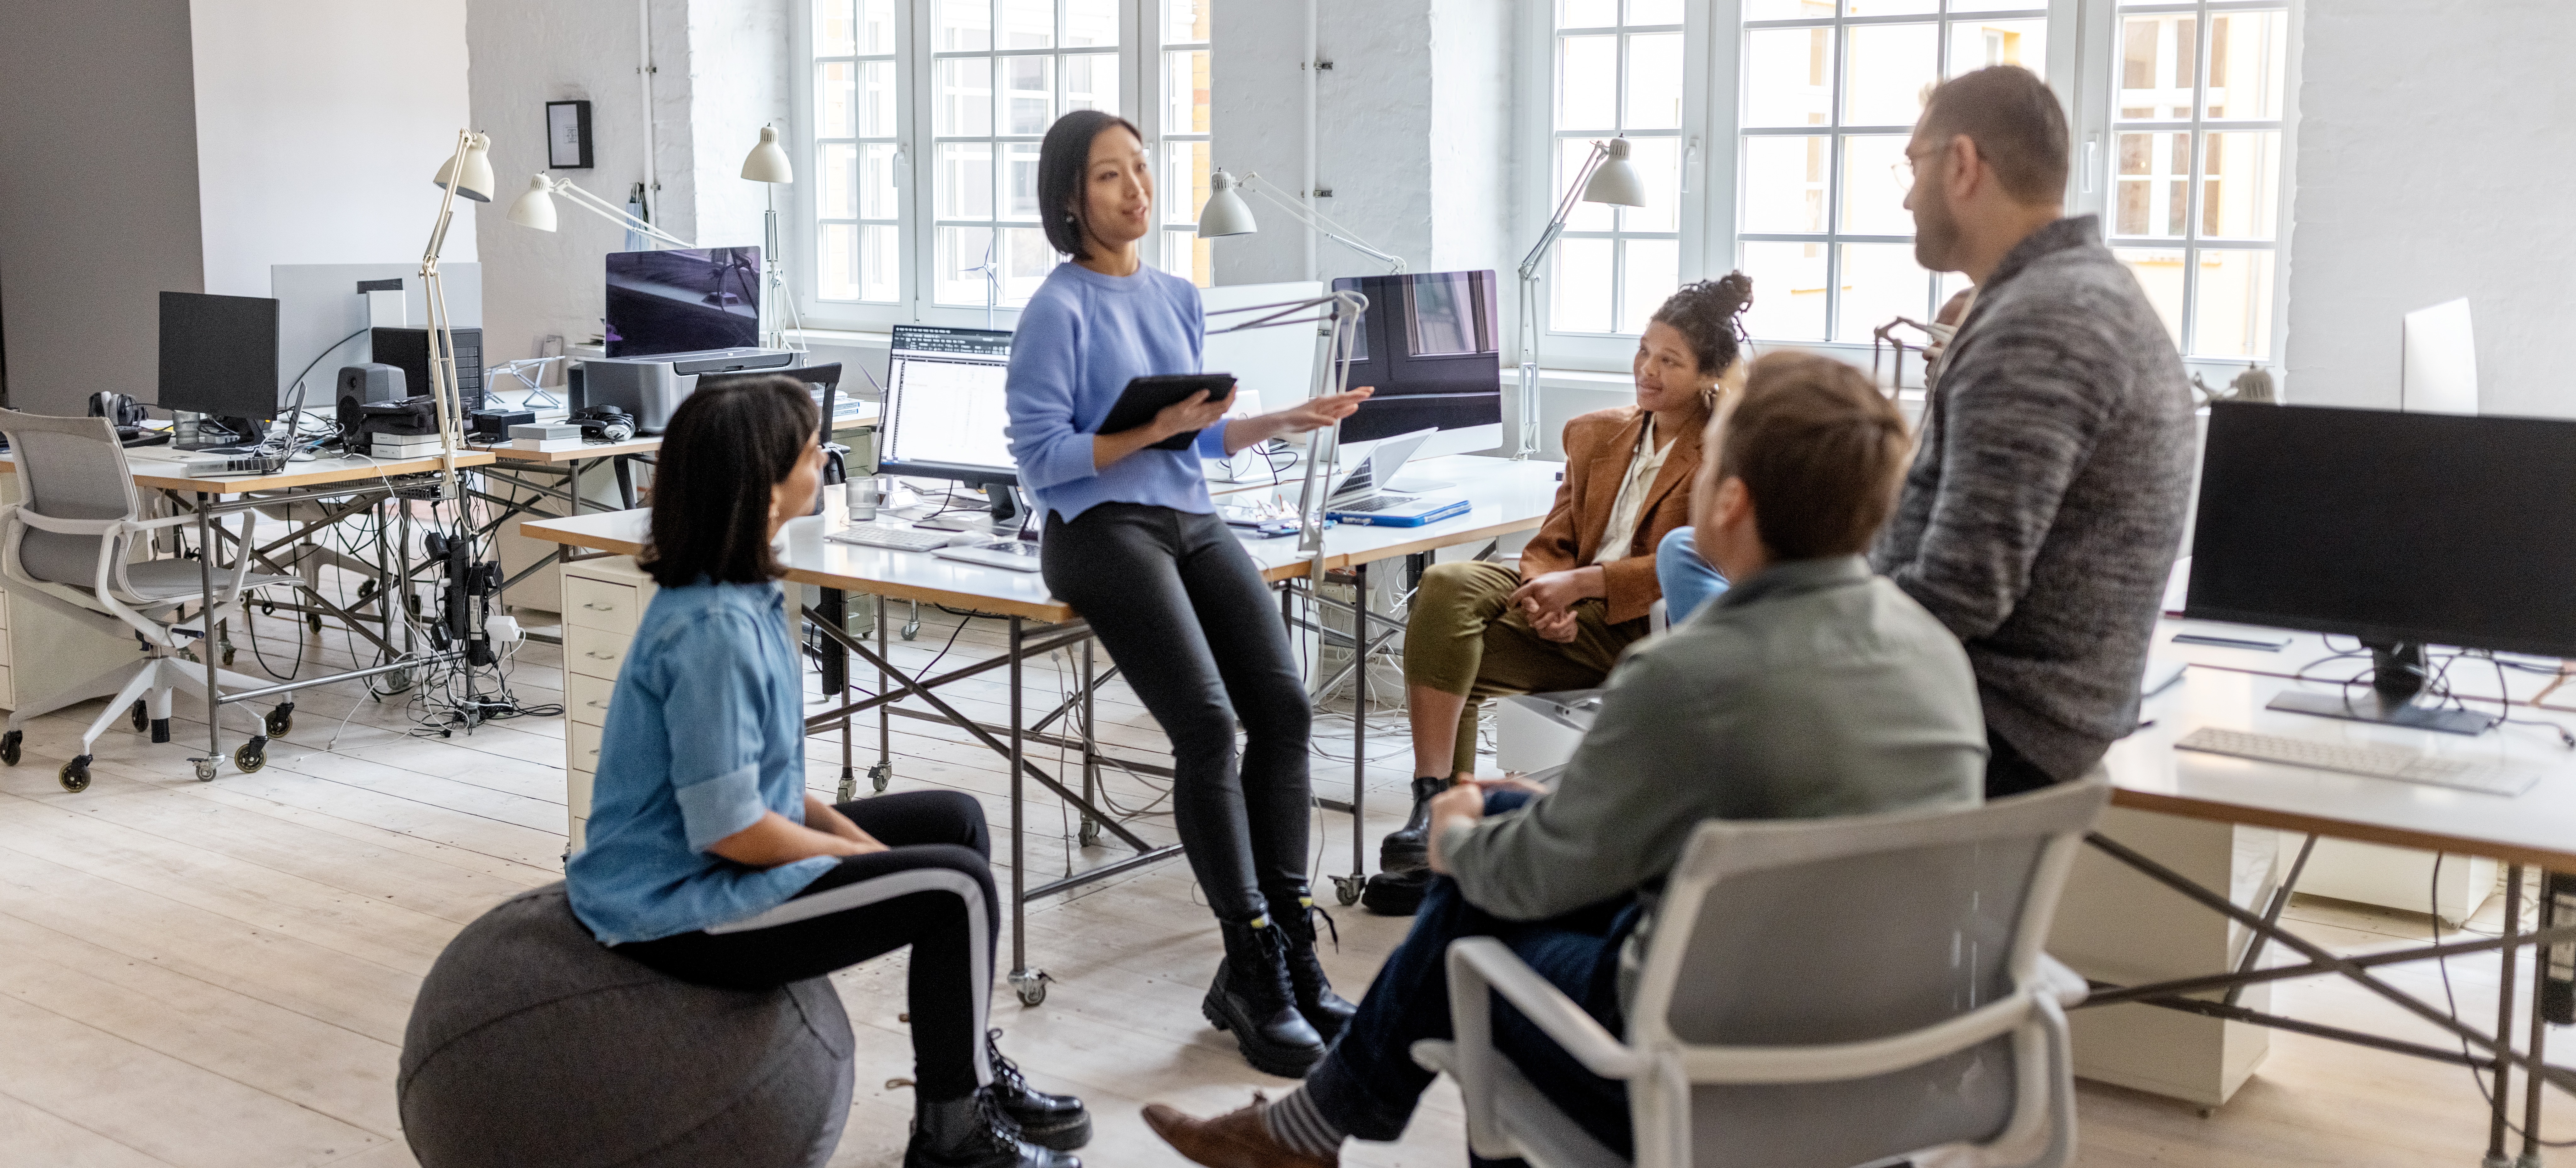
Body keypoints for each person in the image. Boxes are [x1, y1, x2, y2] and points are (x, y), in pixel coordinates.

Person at [1140, 351, 1989, 1168]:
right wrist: (1523, 819)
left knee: (1471, 918)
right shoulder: (1934, 653)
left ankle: (1308, 1129)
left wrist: (1459, 834)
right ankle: (1307, 1129)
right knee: (1513, 822)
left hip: (1702, 1066)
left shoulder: (1691, 674)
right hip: (1889, 1055)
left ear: (1728, 503)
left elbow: (1532, 884)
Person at [565, 377, 1086, 1168]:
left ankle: (970, 1076)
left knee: (954, 824)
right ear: (761, 489)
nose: (825, 463)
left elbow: (764, 784)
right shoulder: (711, 631)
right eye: (812, 455)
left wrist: (865, 851)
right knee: (954, 889)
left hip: (709, 861)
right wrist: (861, 864)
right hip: (680, 907)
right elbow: (734, 829)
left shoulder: (740, 594)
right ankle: (955, 1140)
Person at [1004, 109, 1374, 1077]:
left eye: (1142, 170)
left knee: (1285, 709)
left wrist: (1276, 422)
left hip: (1186, 515)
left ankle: (1291, 939)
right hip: (1096, 529)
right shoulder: (1057, 308)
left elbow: (1193, 439)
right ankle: (1248, 960)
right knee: (1208, 728)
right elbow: (1044, 462)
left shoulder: (1177, 295)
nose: (1137, 190)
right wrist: (1154, 426)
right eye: (1110, 177)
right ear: (1070, 200)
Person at [1367, 274, 1754, 917]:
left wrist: (1585, 586)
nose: (1647, 371)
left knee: (1450, 652)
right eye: (1643, 351)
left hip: (1636, 629)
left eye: (1669, 361)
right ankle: (1435, 803)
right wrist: (1547, 596)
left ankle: (1446, 839)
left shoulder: (1724, 451)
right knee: (1444, 589)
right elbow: (1554, 538)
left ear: (1710, 376)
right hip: (1564, 605)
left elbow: (1695, 561)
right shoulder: (1595, 433)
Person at [1875, 65, 2195, 797]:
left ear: (1961, 164)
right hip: (2005, 715)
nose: (1905, 195)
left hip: (1985, 729)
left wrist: (1798, 638)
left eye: (1912, 164)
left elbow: (1961, 589)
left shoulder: (2043, 323)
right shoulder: (2070, 291)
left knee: (1685, 732)